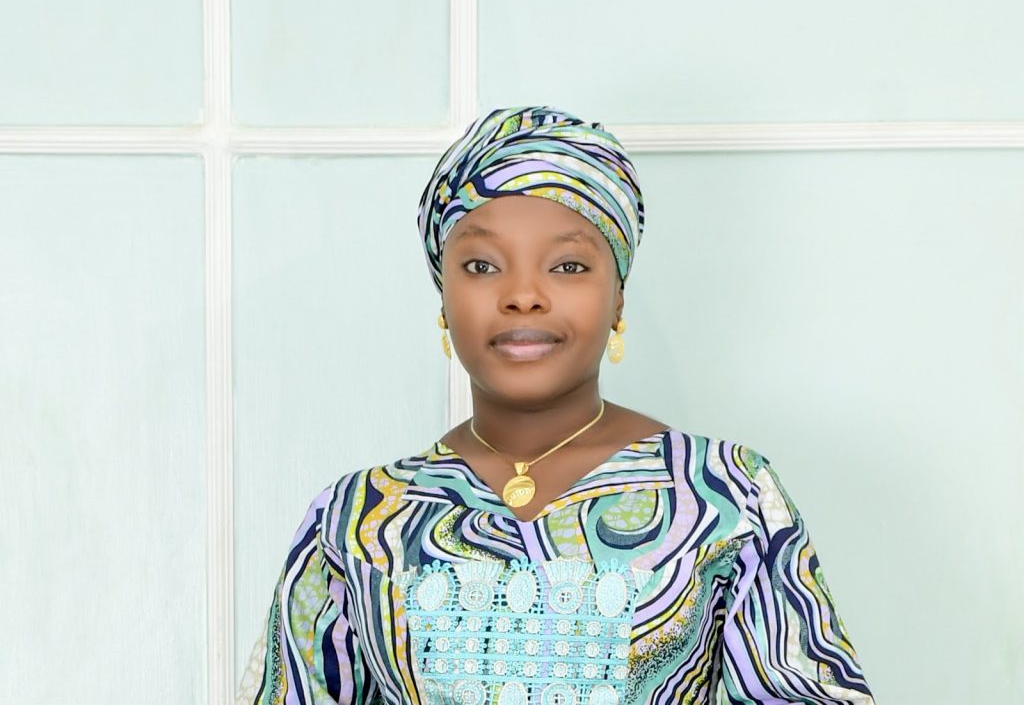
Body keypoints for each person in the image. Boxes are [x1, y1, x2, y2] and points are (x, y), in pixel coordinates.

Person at [236, 106, 874, 704]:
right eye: (482, 266)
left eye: (568, 266)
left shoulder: (727, 497)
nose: (523, 295)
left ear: (618, 298)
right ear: (442, 297)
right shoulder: (355, 521)